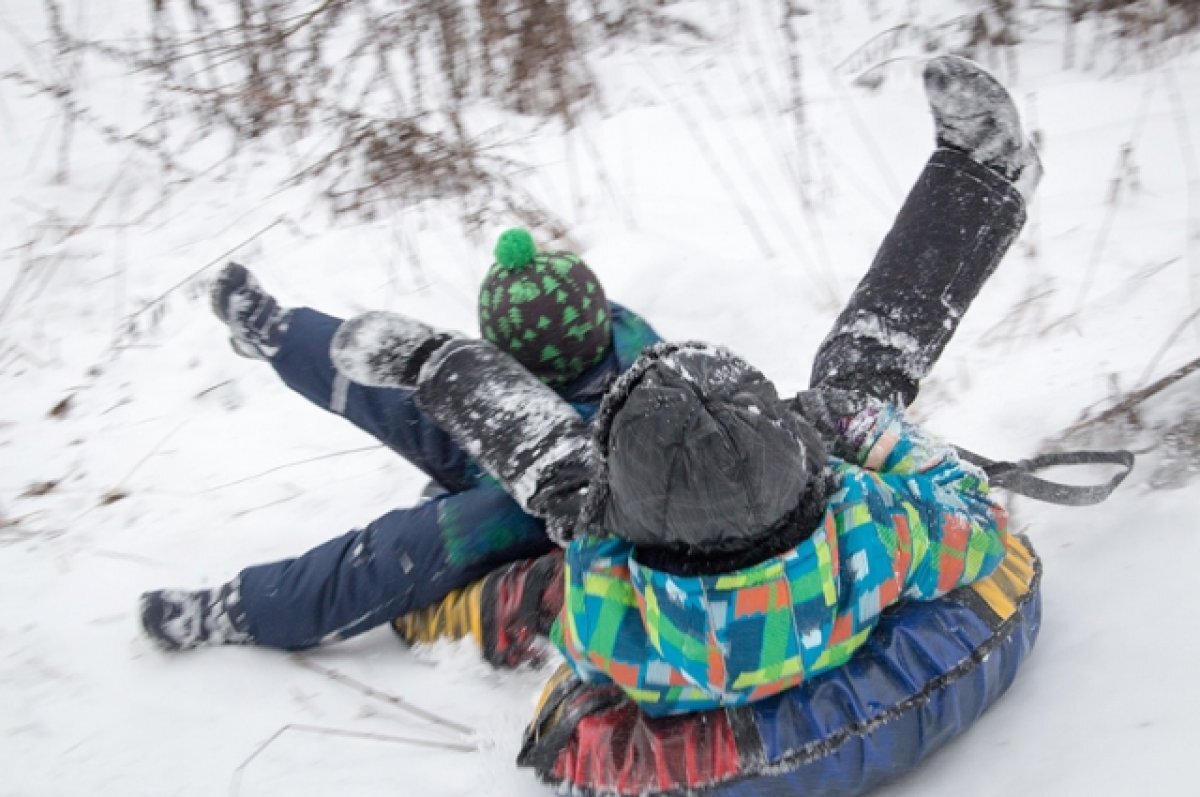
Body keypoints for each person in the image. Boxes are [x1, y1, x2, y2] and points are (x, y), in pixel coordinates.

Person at [324, 55, 1044, 715]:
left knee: (561, 477)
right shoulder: (872, 532)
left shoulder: (632, 634)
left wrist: (603, 518)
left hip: (659, 597)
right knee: (858, 377)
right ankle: (980, 181)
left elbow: (588, 589)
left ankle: (430, 361)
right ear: (800, 466)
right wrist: (860, 431)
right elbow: (975, 520)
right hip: (816, 552)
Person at [138, 230, 663, 653]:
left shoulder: (634, 423)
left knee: (399, 550)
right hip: (505, 445)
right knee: (402, 391)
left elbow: (369, 568)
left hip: (543, 503)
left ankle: (233, 609)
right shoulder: (615, 329)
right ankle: (279, 332)